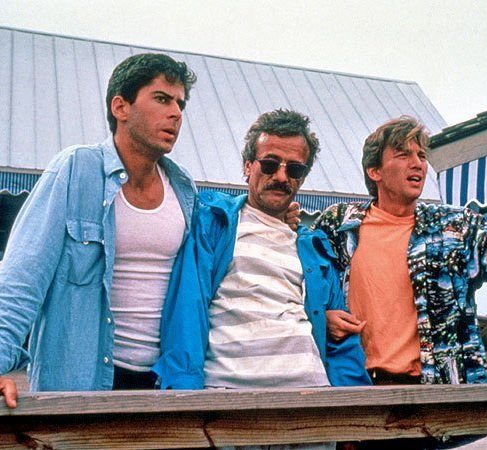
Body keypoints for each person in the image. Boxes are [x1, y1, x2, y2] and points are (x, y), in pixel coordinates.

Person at [313, 115, 487, 449]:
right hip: (354, 395)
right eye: (403, 154)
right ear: (374, 171)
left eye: (421, 155)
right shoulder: (338, 226)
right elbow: (302, 283)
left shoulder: (452, 228)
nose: (417, 163)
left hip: (430, 400)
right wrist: (322, 317)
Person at [0, 53, 198, 408]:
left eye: (180, 103)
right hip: (82, 380)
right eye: (162, 99)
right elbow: (21, 278)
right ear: (120, 107)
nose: (176, 113)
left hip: (164, 384)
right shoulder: (76, 169)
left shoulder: (184, 188)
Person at [152, 109, 371, 392]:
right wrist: (184, 394)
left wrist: (353, 407)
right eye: (269, 164)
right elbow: (187, 312)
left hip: (312, 399)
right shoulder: (214, 223)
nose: (281, 176)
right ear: (247, 167)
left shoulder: (314, 248)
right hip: (229, 398)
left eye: (294, 169)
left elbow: (342, 340)